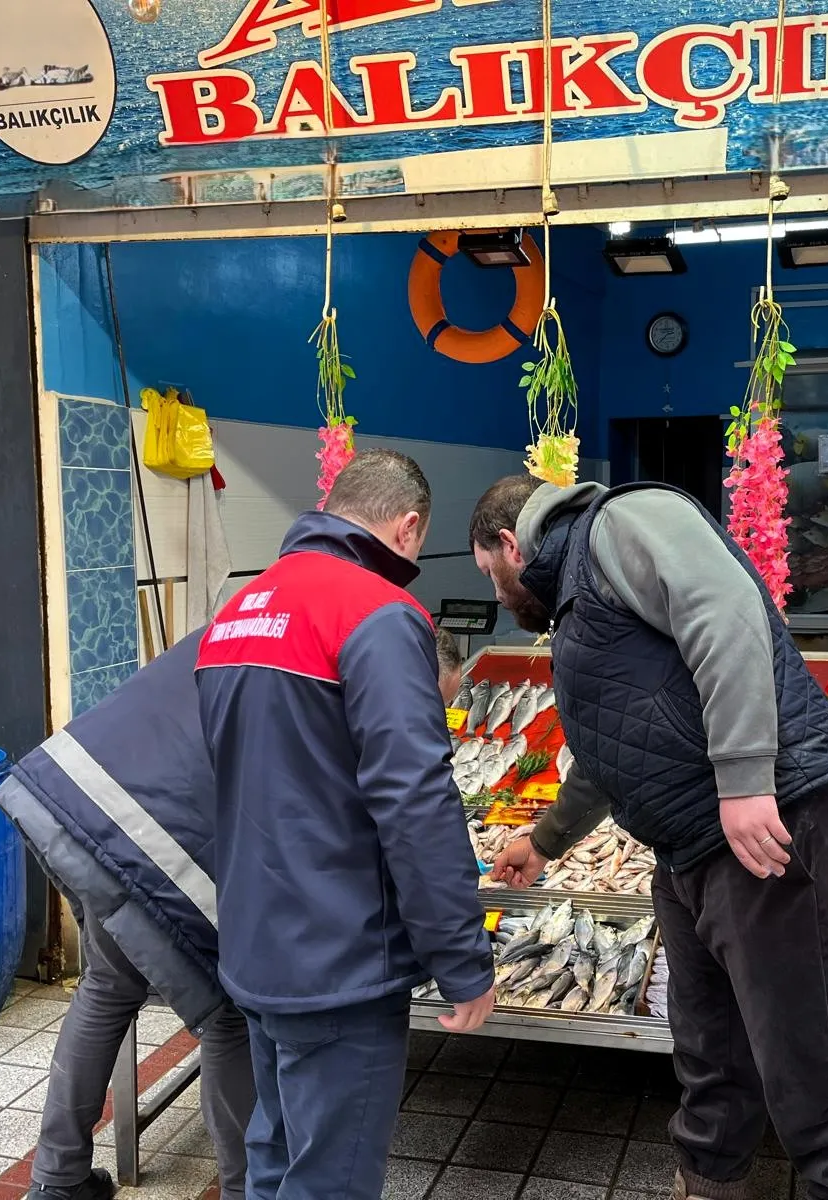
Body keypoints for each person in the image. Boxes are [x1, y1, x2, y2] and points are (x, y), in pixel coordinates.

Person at [474, 476, 828, 1200]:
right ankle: (709, 1185)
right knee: (711, 1048)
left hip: (771, 822)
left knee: (811, 1065)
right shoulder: (576, 597)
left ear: (511, 544)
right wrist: (545, 842)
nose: (495, 595)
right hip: (690, 848)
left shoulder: (623, 520)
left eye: (490, 574)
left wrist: (744, 779)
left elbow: (725, 610)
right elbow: (614, 746)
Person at [197, 449, 495, 1200]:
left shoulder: (239, 610)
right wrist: (462, 959)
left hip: (256, 945)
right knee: (331, 1179)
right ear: (408, 526)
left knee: (274, 1158)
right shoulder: (379, 613)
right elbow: (414, 796)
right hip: (339, 961)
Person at [0, 627, 256, 1200]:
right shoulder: (343, 648)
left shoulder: (251, 615)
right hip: (139, 832)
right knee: (228, 1008)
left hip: (70, 792)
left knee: (108, 985)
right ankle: (246, 1190)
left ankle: (58, 1179)